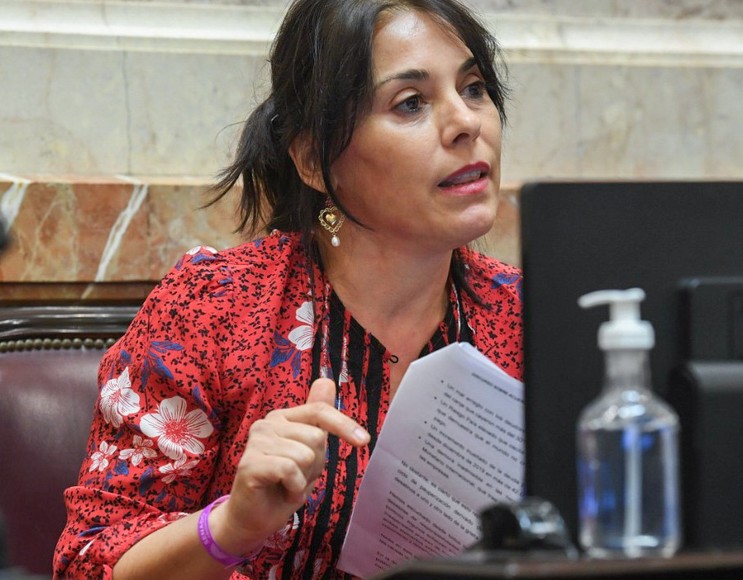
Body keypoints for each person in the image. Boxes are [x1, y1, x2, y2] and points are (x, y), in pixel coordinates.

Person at [53, 0, 523, 577]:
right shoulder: (215, 306)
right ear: (314, 161)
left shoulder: (532, 316)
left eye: (474, 89)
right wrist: (233, 526)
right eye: (410, 103)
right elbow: (89, 561)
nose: (466, 122)